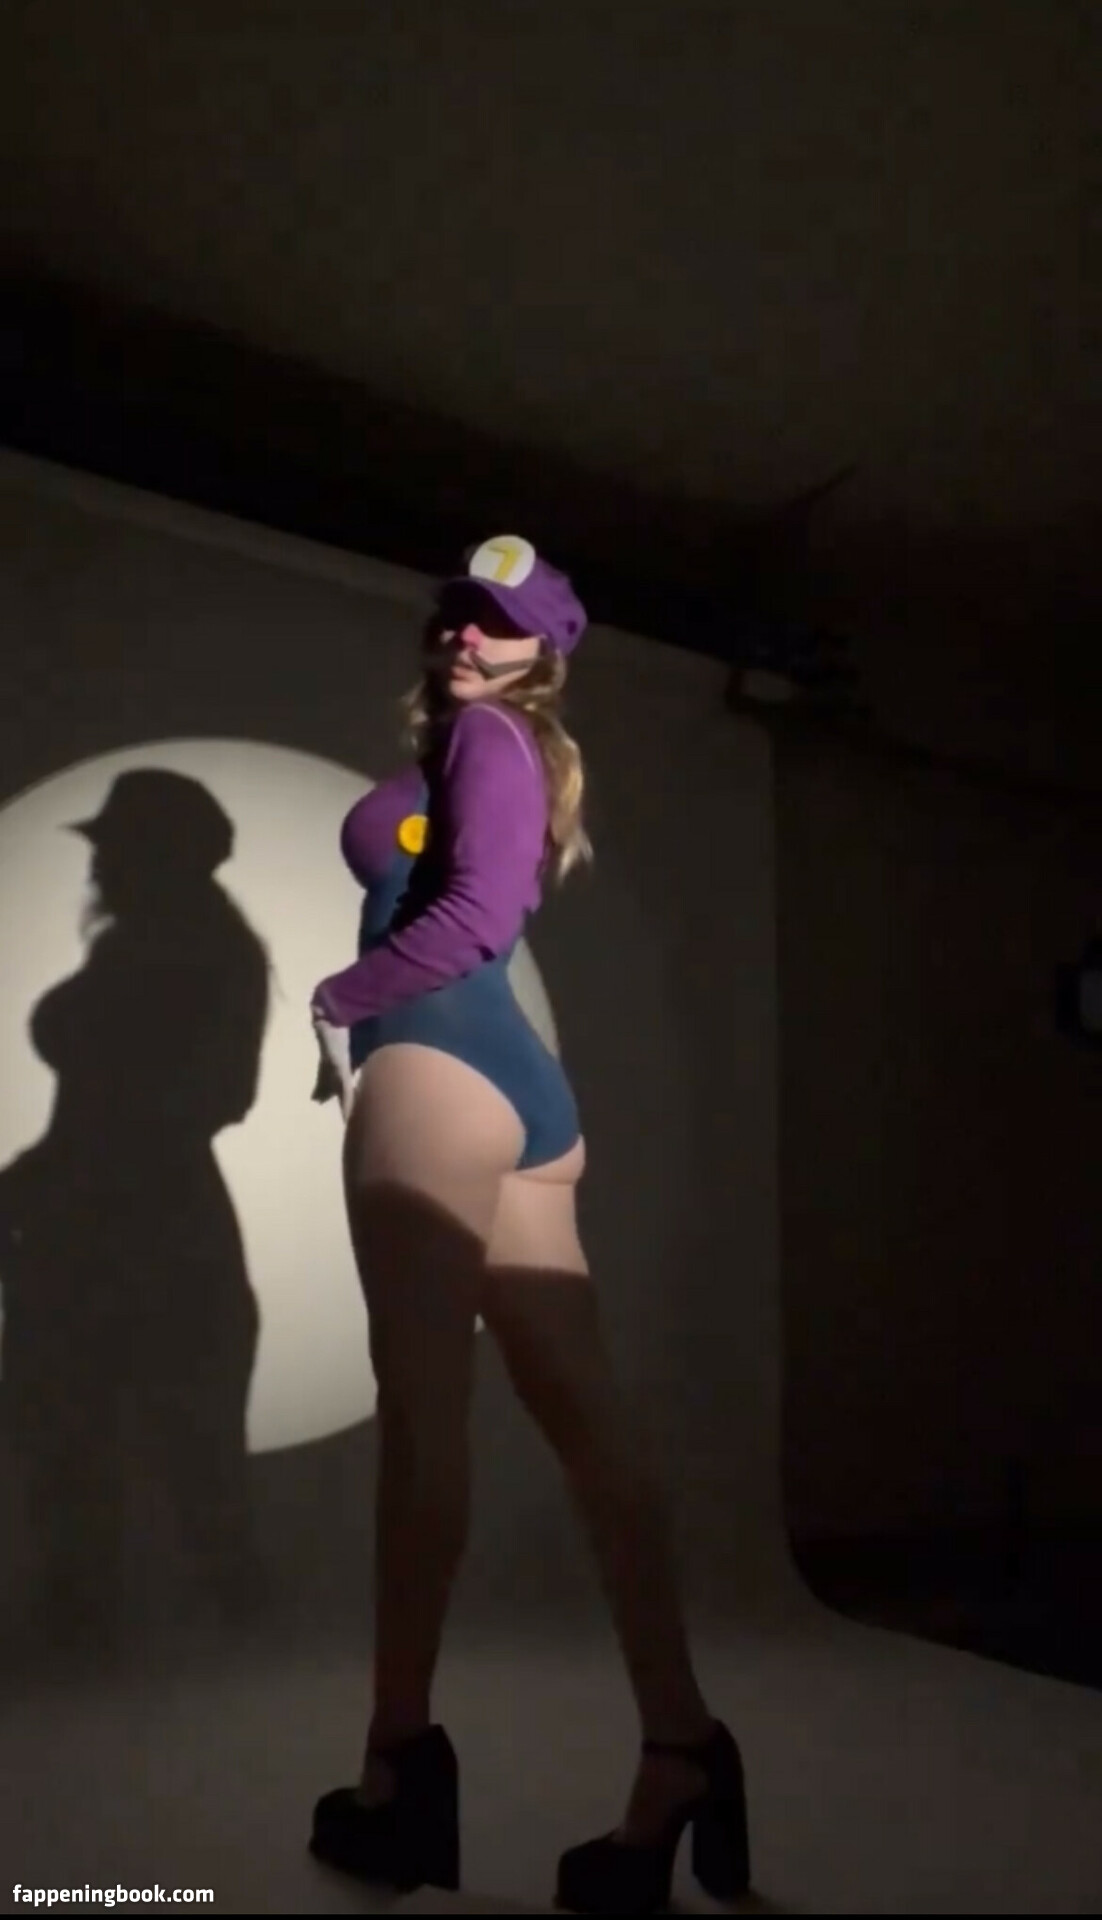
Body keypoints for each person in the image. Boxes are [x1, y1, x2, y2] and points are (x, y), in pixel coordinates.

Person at [306, 536, 751, 1914]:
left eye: (494, 623)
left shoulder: (488, 740)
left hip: (440, 1064)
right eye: (455, 613)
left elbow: (476, 913)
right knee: (589, 1424)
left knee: (424, 1417)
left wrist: (339, 997)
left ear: (539, 651)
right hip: (520, 1091)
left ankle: (396, 1774)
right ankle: (681, 1751)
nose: (462, 636)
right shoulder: (503, 750)